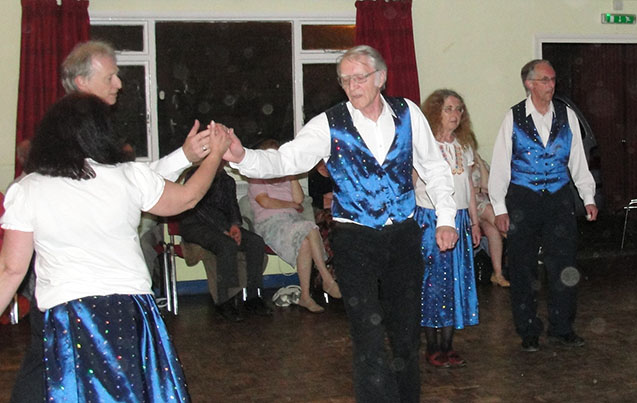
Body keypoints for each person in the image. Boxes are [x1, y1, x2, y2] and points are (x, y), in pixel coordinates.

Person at [222, 45, 457, 403]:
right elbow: (286, 159)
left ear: (380, 78)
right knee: (367, 335)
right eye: (345, 80)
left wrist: (445, 218)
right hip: (354, 239)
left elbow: (435, 169)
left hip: (402, 237)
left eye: (359, 77)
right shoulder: (328, 124)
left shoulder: (408, 113)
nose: (351, 86)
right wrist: (243, 157)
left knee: (406, 333)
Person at [10, 40, 214, 403]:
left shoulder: (36, 184)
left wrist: (184, 156)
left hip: (70, 302)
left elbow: (129, 181)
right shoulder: (94, 154)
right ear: (80, 81)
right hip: (95, 303)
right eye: (111, 75)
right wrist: (209, 156)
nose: (119, 84)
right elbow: (132, 182)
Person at [488, 59, 597, 352]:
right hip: (523, 198)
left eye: (553, 80)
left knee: (563, 265)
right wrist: (499, 207)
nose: (551, 85)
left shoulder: (567, 115)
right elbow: (500, 165)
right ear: (529, 83)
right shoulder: (513, 118)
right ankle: (528, 330)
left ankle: (562, 327)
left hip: (559, 198)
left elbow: (577, 159)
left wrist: (588, 196)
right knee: (523, 267)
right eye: (545, 80)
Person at [416, 89, 482, 368]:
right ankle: (432, 346)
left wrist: (475, 221)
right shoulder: (423, 146)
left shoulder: (463, 145)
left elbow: (468, 186)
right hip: (430, 220)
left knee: (457, 283)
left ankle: (448, 345)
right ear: (435, 113)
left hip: (461, 221)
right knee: (432, 285)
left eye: (458, 109)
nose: (455, 115)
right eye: (448, 109)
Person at [247, 139, 341, 314]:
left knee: (305, 243)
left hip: (292, 222)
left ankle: (305, 296)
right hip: (270, 223)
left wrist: (290, 176)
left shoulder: (286, 177)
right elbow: (265, 202)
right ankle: (326, 277)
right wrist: (291, 205)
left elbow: (298, 200)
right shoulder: (256, 178)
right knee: (311, 227)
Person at [179, 163, 271, 322]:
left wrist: (235, 225)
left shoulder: (227, 180)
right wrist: (223, 229)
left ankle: (253, 297)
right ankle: (224, 301)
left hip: (224, 226)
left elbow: (232, 206)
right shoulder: (194, 176)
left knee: (255, 242)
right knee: (226, 245)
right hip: (194, 224)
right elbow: (197, 208)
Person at [471, 148, 510, 287]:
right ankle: (509, 235)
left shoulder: (482, 165)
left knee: (493, 232)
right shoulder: (460, 165)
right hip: (470, 206)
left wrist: (480, 163)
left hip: (483, 206)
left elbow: (488, 186)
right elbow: (464, 189)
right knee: (490, 210)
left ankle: (498, 274)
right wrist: (480, 190)